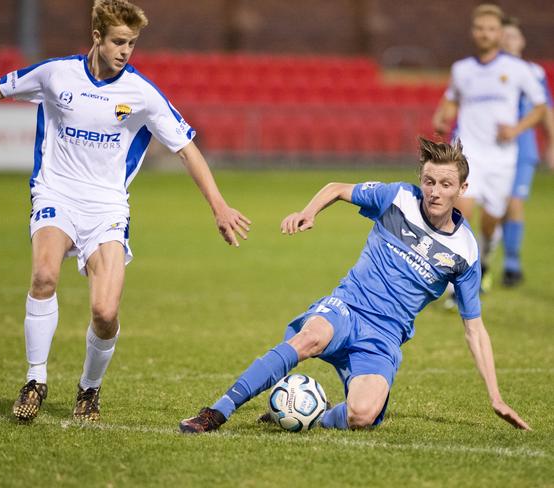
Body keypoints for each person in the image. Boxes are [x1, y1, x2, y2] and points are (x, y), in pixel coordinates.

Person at [0, 0, 251, 422]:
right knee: (44, 275)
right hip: (55, 193)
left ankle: (89, 389)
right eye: (119, 42)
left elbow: (186, 148)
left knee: (105, 313)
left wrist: (218, 206)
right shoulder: (56, 74)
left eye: (132, 43)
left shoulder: (141, 93)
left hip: (106, 206)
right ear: (97, 37)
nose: (126, 51)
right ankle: (35, 379)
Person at [179, 137, 531, 433]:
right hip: (348, 306)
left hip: (385, 336)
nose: (434, 192)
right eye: (428, 181)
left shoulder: (465, 252)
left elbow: (475, 330)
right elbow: (337, 189)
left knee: (362, 414)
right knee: (310, 338)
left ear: (462, 188)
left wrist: (495, 396)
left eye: (445, 184)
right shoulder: (397, 198)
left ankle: (306, 414)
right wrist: (309, 211)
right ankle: (218, 411)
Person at [432, 4, 547, 291]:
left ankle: (484, 257)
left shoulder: (518, 70)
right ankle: (454, 280)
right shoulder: (462, 69)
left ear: (499, 33)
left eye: (491, 29)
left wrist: (517, 129)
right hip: (468, 154)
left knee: (491, 219)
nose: (486, 34)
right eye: (481, 28)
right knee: (461, 212)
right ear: (474, 32)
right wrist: (442, 115)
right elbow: (452, 99)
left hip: (502, 158)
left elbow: (540, 106)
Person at [499, 17, 554, 286]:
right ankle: (484, 261)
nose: (508, 41)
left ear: (521, 41)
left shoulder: (534, 72)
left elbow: (545, 109)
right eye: (504, 36)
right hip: (494, 148)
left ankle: (512, 264)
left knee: (514, 202)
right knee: (494, 206)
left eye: (513, 36)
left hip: (522, 147)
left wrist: (552, 143)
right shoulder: (490, 71)